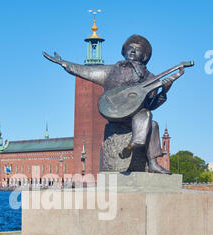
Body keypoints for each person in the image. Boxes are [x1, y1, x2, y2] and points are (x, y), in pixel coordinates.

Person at [43, 34, 173, 174]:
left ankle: (150, 161)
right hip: (115, 113)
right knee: (146, 115)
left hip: (136, 119)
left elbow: (151, 104)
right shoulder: (112, 71)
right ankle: (137, 143)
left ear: (145, 56)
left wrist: (164, 91)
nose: (132, 51)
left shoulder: (151, 78)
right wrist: (64, 63)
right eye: (130, 48)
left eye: (137, 49)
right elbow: (85, 71)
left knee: (152, 124)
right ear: (124, 52)